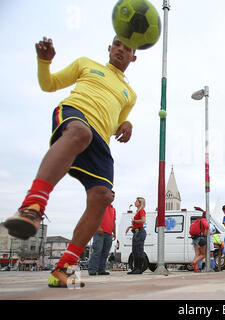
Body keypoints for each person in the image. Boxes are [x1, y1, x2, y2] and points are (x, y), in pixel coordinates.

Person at [3, 36, 137, 288]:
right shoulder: (85, 63)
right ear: (109, 47)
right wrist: (44, 63)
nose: (121, 49)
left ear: (133, 57)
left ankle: (64, 267)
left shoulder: (130, 94)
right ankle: (32, 206)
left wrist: (126, 124)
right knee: (80, 133)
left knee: (103, 196)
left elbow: (118, 119)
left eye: (127, 48)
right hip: (75, 115)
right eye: (117, 44)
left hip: (101, 139)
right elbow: (49, 84)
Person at [88, 191, 117, 275]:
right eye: (111, 196)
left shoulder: (113, 209)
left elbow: (113, 221)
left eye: (114, 196)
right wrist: (98, 227)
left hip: (108, 233)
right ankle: (92, 269)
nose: (112, 198)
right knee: (97, 250)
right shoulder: (100, 205)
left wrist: (114, 232)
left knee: (105, 252)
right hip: (99, 232)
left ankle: (101, 270)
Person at [125, 197, 147, 274]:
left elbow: (143, 220)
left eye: (136, 201)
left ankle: (139, 268)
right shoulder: (138, 211)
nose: (135, 202)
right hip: (136, 232)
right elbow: (138, 224)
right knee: (135, 251)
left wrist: (134, 221)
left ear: (140, 203)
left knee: (138, 251)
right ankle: (136, 268)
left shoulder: (141, 211)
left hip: (139, 232)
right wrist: (130, 226)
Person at [190, 208, 209, 273]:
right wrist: (205, 233)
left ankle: (196, 269)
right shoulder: (204, 220)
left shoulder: (198, 220)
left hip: (194, 238)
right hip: (200, 238)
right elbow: (206, 226)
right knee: (203, 255)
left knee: (197, 254)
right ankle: (193, 262)